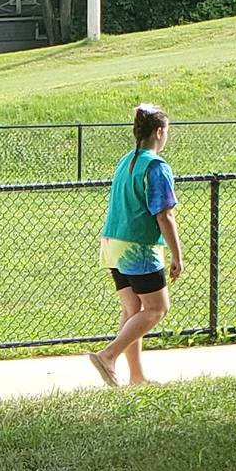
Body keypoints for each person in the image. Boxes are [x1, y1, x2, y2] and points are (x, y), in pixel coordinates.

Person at [89, 103, 184, 388]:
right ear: (158, 132)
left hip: (112, 245)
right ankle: (108, 355)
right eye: (167, 131)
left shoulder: (126, 160)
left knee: (132, 310)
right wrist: (178, 255)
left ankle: (137, 377)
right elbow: (164, 214)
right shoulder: (156, 166)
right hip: (138, 249)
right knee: (156, 309)